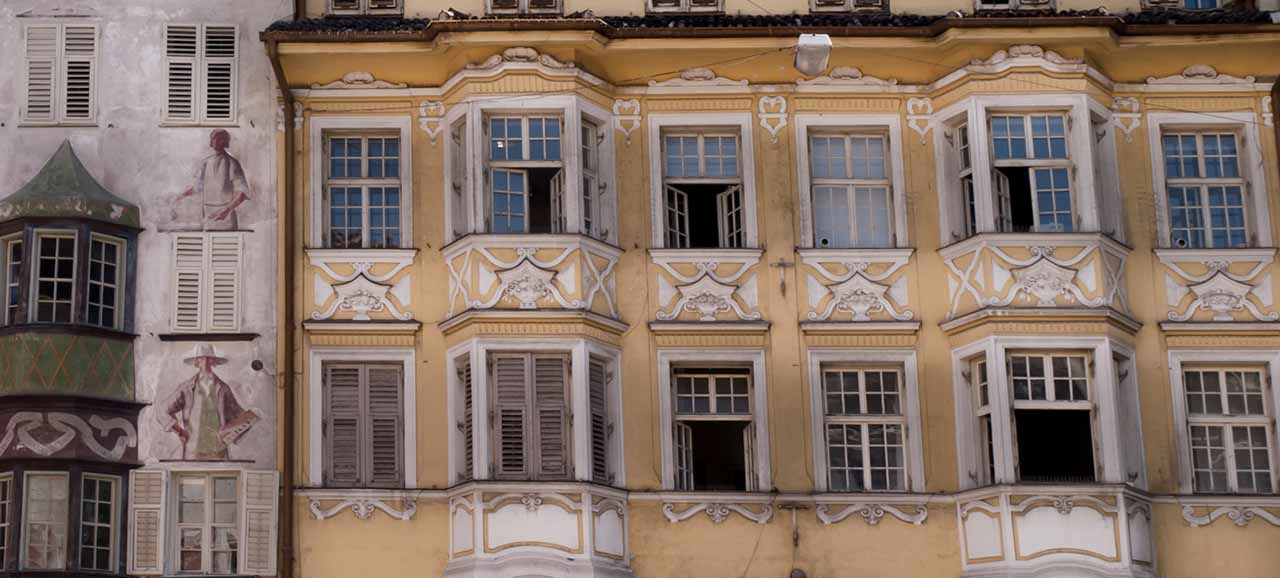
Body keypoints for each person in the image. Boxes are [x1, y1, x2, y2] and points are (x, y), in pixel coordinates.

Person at [163, 344, 259, 460]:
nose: (206, 362)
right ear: (196, 362)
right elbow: (163, 409)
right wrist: (179, 431)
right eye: (202, 358)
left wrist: (250, 417)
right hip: (193, 452)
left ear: (213, 362)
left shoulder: (223, 388)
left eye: (209, 358)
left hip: (218, 451)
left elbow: (238, 415)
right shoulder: (186, 388)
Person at [179, 129, 250, 230]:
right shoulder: (206, 162)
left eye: (220, 138)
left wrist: (226, 210)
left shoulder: (232, 163)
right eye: (214, 138)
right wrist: (179, 197)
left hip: (226, 218)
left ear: (226, 141)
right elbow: (196, 187)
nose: (216, 141)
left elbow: (242, 193)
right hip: (208, 216)